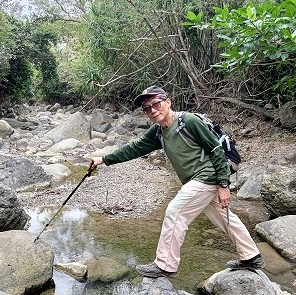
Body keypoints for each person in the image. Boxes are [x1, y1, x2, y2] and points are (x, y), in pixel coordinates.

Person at [89, 85, 263, 277]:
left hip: (208, 176)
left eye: (156, 104)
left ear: (168, 102)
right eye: (147, 109)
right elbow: (134, 148)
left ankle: (165, 265)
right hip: (197, 180)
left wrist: (223, 184)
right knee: (224, 217)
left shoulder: (189, 121)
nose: (153, 110)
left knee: (176, 211)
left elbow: (215, 150)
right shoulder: (158, 132)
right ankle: (251, 256)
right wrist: (104, 159)